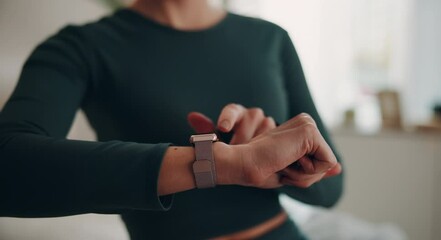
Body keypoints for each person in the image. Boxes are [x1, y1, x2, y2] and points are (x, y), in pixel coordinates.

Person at [0, 0, 343, 239]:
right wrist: (220, 163)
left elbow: (331, 184)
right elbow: (8, 166)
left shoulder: (271, 39)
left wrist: (281, 160)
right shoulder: (78, 48)